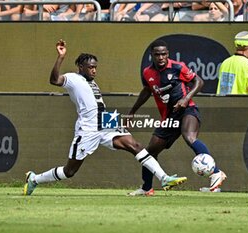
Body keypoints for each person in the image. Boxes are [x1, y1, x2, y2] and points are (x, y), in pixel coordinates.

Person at [23, 39, 187, 196]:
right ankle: (34, 179)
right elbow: (54, 80)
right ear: (81, 67)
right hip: (88, 128)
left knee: (134, 145)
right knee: (70, 171)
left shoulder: (92, 82)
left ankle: (164, 178)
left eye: (95, 67)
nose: (94, 70)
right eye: (90, 67)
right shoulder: (73, 79)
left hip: (106, 121)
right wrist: (61, 57)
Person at [128, 40, 227, 196]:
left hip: (188, 109)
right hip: (169, 117)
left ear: (168, 54)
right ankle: (147, 188)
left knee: (189, 137)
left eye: (164, 54)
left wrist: (186, 99)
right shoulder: (147, 72)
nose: (161, 57)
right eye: (157, 54)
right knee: (150, 151)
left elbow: (199, 81)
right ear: (152, 55)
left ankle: (216, 172)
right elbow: (147, 91)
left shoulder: (177, 67)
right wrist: (133, 111)